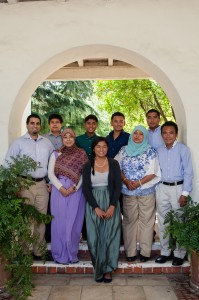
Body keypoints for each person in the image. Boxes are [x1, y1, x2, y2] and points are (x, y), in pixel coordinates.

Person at [4, 113, 54, 259]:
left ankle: (39, 251)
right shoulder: (18, 143)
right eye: (32, 123)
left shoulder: (47, 143)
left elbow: (53, 164)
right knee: (26, 219)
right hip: (24, 184)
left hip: (42, 185)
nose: (35, 126)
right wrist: (15, 186)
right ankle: (24, 252)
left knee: (41, 219)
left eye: (37, 123)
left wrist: (50, 182)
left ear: (40, 126)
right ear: (27, 125)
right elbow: (8, 165)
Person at [115, 125, 161, 262]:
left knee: (146, 222)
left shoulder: (151, 151)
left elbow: (153, 172)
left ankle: (145, 252)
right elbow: (117, 166)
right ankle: (130, 252)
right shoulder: (123, 150)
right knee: (129, 221)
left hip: (146, 192)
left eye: (141, 134)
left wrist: (138, 183)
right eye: (135, 133)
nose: (137, 136)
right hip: (128, 191)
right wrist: (126, 180)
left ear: (145, 136)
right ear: (132, 135)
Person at [82, 137, 122, 283]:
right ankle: (98, 268)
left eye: (104, 146)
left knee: (111, 236)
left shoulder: (114, 163)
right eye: (98, 146)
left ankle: (108, 270)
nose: (101, 149)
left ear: (107, 148)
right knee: (94, 238)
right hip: (94, 203)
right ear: (93, 149)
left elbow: (118, 186)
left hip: (111, 202)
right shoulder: (87, 165)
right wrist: (96, 208)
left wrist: (112, 205)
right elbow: (85, 189)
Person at [155, 121, 193, 266]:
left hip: (178, 188)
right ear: (161, 134)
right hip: (162, 188)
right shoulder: (159, 150)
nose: (168, 135)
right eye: (165, 132)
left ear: (176, 134)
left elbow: (189, 172)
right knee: (163, 222)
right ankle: (165, 252)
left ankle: (179, 253)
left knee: (179, 221)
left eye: (171, 132)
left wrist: (185, 193)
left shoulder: (183, 149)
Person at [48, 128, 88, 264]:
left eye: (71, 136)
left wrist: (75, 188)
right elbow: (50, 174)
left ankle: (72, 254)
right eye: (65, 137)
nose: (68, 139)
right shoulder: (55, 154)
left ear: (74, 138)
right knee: (59, 223)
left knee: (74, 222)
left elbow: (84, 174)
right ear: (62, 139)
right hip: (58, 191)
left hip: (76, 191)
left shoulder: (81, 154)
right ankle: (59, 254)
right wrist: (61, 188)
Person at [76, 114, 99, 241]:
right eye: (88, 123)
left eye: (93, 123)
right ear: (85, 125)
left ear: (96, 125)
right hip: (81, 174)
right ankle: (83, 232)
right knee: (82, 202)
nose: (91, 125)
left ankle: (94, 230)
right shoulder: (78, 140)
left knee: (93, 201)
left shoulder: (100, 139)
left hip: (96, 175)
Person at [43, 113, 63, 243]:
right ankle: (49, 236)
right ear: (49, 124)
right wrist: (47, 180)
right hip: (48, 178)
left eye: (57, 122)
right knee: (49, 208)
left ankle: (62, 234)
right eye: (52, 122)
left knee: (62, 209)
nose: (55, 124)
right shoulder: (43, 138)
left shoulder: (67, 137)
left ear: (61, 124)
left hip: (64, 179)